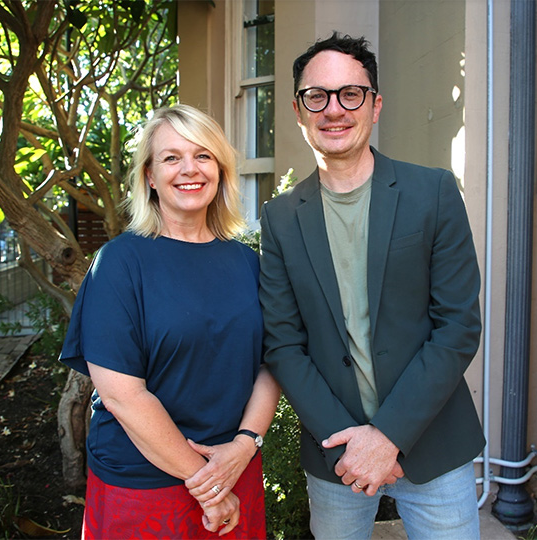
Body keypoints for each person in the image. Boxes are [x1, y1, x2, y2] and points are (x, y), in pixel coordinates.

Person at [259, 32, 485, 539]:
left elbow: (457, 327)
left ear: (375, 105)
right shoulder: (278, 220)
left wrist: (388, 436)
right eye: (316, 96)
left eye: (350, 94)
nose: (333, 109)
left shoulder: (434, 193)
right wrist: (352, 445)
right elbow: (283, 344)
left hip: (433, 445)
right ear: (299, 110)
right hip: (335, 452)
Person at [60, 104, 280, 539]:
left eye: (203, 155)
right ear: (148, 175)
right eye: (171, 157)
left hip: (235, 470)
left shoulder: (247, 263)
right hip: (146, 486)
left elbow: (272, 363)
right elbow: (123, 396)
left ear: (220, 170)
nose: (189, 169)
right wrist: (208, 484)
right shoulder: (120, 264)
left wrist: (243, 445)